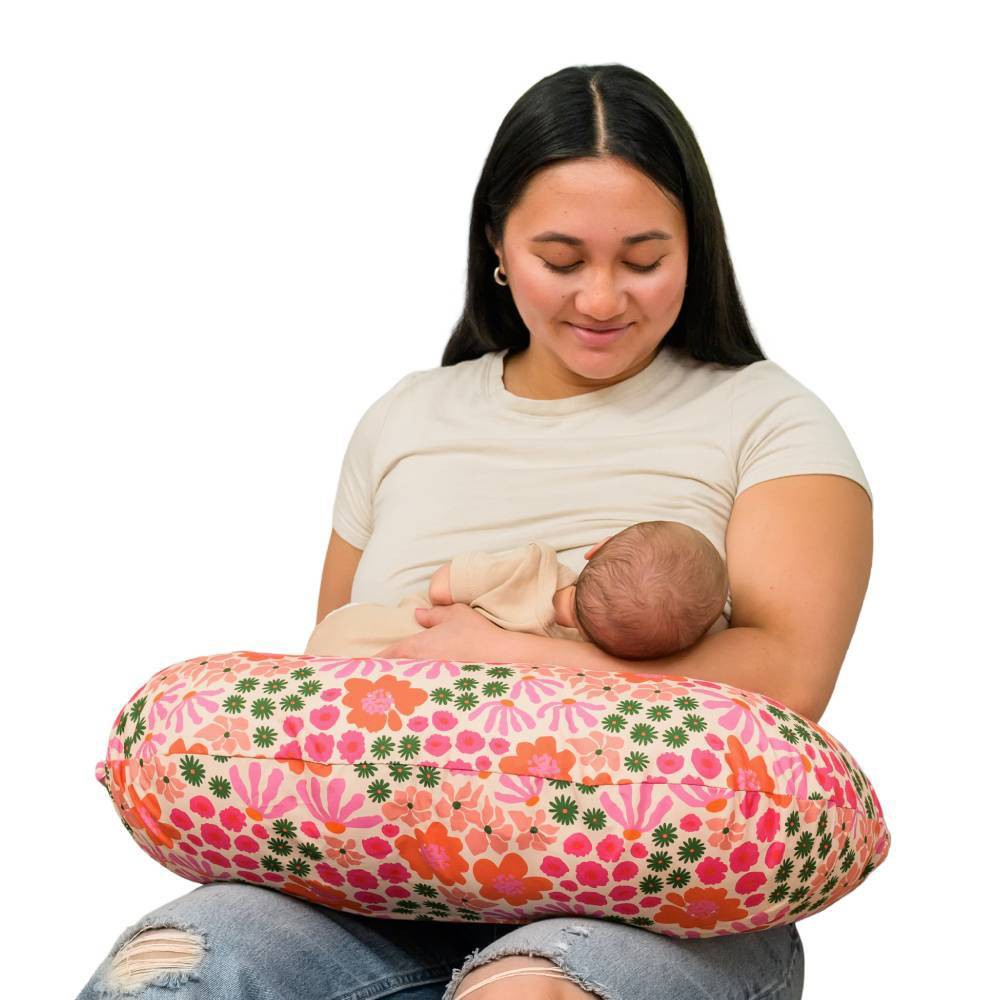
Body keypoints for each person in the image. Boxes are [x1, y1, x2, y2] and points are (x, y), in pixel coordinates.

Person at [76, 62, 874, 1000]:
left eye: (643, 260)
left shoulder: (771, 419)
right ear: (497, 245)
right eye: (562, 260)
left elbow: (789, 678)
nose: (602, 298)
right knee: (171, 970)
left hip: (648, 904)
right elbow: (328, 670)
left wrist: (508, 657)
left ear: (697, 246)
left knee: (528, 990)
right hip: (373, 887)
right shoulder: (405, 417)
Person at [304, 520, 729, 662]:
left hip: (352, 634)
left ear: (596, 549)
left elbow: (441, 587)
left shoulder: (533, 566)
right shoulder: (573, 667)